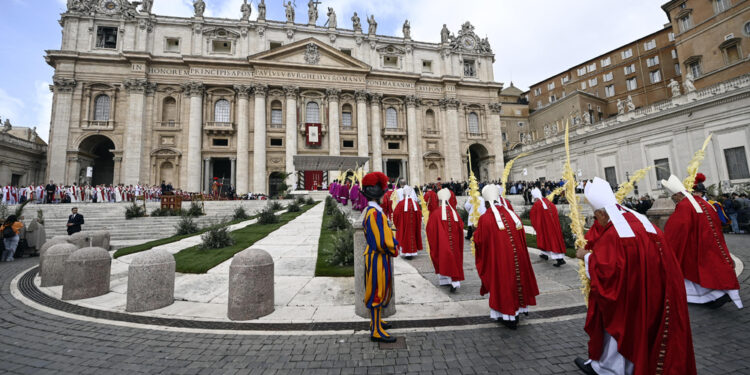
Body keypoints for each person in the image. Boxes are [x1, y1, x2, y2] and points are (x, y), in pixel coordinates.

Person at [574, 177, 696, 375]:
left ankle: (608, 369)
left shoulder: (615, 234)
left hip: (631, 294)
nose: (597, 222)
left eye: (596, 218)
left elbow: (608, 272)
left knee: (621, 325)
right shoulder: (639, 220)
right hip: (658, 290)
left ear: (600, 214)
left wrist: (586, 256)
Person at [661, 175, 742, 309]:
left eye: (674, 197)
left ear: (679, 194)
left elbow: (676, 229)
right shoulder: (704, 203)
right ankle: (714, 296)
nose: (673, 199)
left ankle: (716, 295)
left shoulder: (685, 205)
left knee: (694, 271)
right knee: (711, 271)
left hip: (695, 244)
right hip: (711, 242)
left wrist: (667, 244)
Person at [473, 184, 539, 329]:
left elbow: (479, 241)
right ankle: (519, 310)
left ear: (486, 202)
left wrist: (474, 234)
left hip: (500, 261)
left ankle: (508, 317)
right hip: (518, 259)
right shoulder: (512, 215)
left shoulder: (485, 219)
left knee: (503, 284)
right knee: (517, 281)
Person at [360, 171, 399, 343]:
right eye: (384, 194)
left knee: (378, 288)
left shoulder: (373, 210)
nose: (386, 197)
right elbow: (380, 240)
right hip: (378, 257)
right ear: (377, 195)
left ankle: (376, 321)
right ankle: (375, 330)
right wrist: (394, 246)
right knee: (377, 290)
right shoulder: (374, 213)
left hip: (375, 256)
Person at [426, 188, 465, 292]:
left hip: (441, 243)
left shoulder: (435, 214)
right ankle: (447, 280)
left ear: (439, 200)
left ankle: (452, 282)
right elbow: (461, 226)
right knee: (454, 258)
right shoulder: (455, 213)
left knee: (443, 258)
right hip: (455, 243)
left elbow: (430, 229)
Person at [530, 188, 567, 267]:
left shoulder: (537, 204)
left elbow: (533, 215)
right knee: (549, 240)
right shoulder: (548, 202)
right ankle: (544, 254)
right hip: (553, 227)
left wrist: (536, 225)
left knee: (551, 242)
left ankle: (560, 259)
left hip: (545, 228)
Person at [393, 185, 422, 259]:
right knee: (412, 235)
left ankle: (406, 253)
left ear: (404, 194)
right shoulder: (415, 204)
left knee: (405, 236)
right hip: (413, 226)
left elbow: (395, 215)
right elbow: (419, 215)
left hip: (404, 226)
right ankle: (412, 252)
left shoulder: (401, 204)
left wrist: (398, 224)